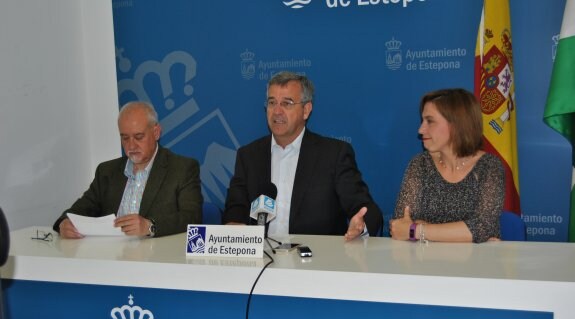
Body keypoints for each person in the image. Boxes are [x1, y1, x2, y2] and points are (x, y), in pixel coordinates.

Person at [223, 71, 382, 240]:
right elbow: (236, 207)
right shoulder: (248, 155)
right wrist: (234, 225)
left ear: (306, 110)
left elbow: (366, 209)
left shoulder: (333, 155)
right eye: (272, 103)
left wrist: (361, 225)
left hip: (317, 259)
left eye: (287, 103)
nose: (277, 111)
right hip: (261, 257)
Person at [53, 101, 203, 238]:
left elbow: (192, 217)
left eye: (138, 137)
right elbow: (81, 208)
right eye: (125, 138)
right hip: (112, 257)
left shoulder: (182, 169)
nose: (131, 146)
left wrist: (149, 226)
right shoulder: (106, 171)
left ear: (156, 132)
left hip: (156, 258)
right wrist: (64, 223)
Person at [389, 88, 504, 243]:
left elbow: (482, 228)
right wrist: (462, 233)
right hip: (424, 264)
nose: (421, 130)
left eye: (430, 121)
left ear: (457, 124)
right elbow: (400, 225)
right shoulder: (420, 164)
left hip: (476, 265)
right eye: (422, 121)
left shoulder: (489, 167)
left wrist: (417, 230)